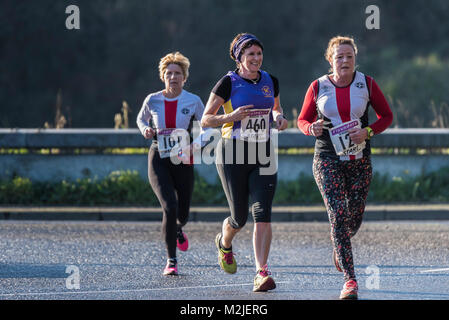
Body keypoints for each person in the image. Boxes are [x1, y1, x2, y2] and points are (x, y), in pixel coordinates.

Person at [297, 36, 393, 299]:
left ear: (355, 58)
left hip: (359, 161)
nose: (345, 61)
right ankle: (350, 280)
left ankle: (339, 243)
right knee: (338, 215)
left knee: (354, 217)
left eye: (349, 56)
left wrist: (369, 131)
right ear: (331, 60)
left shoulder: (367, 84)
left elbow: (387, 116)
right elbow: (303, 120)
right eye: (339, 57)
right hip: (327, 159)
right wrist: (310, 128)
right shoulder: (317, 87)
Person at [201, 33, 288, 292]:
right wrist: (232, 116)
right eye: (250, 54)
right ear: (239, 58)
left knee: (262, 214)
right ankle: (224, 242)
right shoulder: (228, 83)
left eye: (259, 54)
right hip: (232, 155)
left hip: (263, 154)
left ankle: (261, 272)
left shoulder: (271, 80)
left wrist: (280, 118)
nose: (256, 59)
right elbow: (206, 119)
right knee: (239, 217)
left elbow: (276, 109)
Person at [137, 52, 206, 276]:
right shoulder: (152, 99)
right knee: (169, 206)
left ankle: (178, 229)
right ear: (162, 77)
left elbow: (208, 128)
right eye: (169, 74)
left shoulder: (193, 100)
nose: (173, 77)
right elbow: (141, 118)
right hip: (158, 158)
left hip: (183, 159)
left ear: (184, 78)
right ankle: (171, 260)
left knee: (183, 213)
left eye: (177, 74)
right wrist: (145, 129)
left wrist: (195, 146)